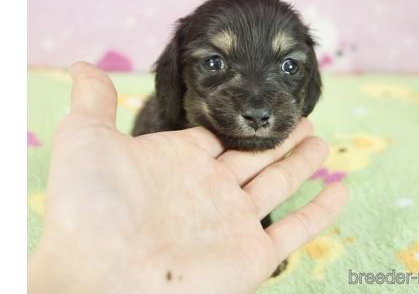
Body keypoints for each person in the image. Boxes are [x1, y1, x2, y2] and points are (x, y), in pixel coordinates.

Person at [27, 62, 348, 294]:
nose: (257, 106)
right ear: (175, 72)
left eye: (289, 67)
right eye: (214, 63)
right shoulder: (160, 130)